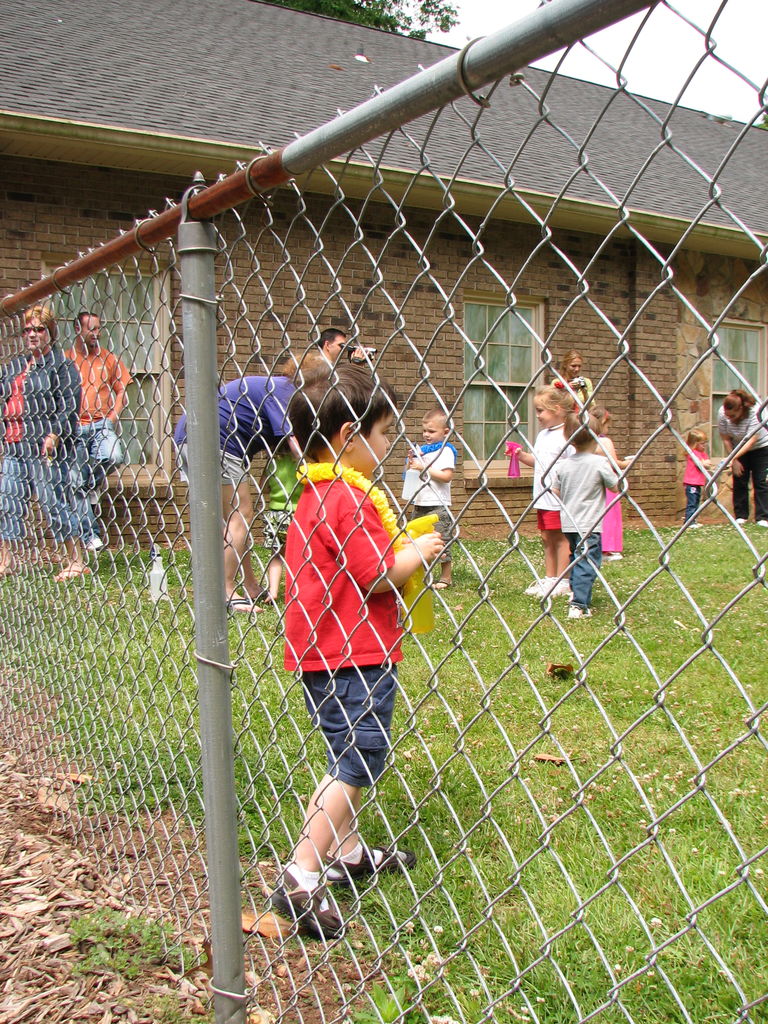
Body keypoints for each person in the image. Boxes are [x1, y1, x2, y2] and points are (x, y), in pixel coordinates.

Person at [271, 363, 444, 940]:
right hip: (352, 651)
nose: (390, 446)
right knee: (357, 759)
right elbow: (376, 575)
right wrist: (421, 547)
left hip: (324, 648)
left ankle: (345, 853)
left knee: (346, 748)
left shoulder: (317, 492)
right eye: (384, 434)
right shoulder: (348, 497)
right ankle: (300, 872)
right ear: (349, 436)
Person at [0, 305, 89, 581]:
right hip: (15, 445)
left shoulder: (61, 365)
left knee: (54, 502)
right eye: (28, 330)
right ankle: (7, 561)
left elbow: (69, 405)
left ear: (50, 332)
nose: (32, 335)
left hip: (44, 447)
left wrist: (54, 434)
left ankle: (76, 560)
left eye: (39, 329)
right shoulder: (14, 367)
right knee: (7, 501)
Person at [64, 311, 132, 551]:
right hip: (74, 427)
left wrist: (113, 416)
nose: (96, 334)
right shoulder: (67, 360)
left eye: (98, 328)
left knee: (114, 456)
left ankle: (91, 483)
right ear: (77, 330)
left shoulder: (108, 359)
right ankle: (91, 536)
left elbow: (122, 388)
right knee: (75, 484)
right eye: (90, 329)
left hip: (101, 423)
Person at [552, 411, 620, 619]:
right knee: (588, 561)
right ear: (596, 436)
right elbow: (615, 486)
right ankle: (579, 603)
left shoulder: (564, 464)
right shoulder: (599, 463)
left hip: (569, 522)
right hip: (589, 524)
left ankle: (575, 591)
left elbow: (555, 490)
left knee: (575, 557)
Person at [516, 384, 575, 598]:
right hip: (542, 496)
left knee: (561, 538)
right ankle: (550, 579)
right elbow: (540, 462)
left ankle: (563, 580)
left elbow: (575, 464)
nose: (538, 416)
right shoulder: (543, 435)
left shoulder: (568, 434)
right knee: (546, 536)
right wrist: (522, 456)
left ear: (557, 409)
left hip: (560, 498)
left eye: (541, 410)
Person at [402, 406, 456, 589]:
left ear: (445, 432)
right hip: (420, 502)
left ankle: (445, 577)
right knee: (416, 539)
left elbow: (446, 476)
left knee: (440, 538)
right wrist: (412, 462)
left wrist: (423, 467)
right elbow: (410, 474)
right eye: (424, 430)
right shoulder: (423, 451)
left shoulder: (446, 451)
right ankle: (420, 574)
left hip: (438, 505)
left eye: (431, 431)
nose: (426, 434)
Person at [255, 433, 300, 606]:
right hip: (297, 513)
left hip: (275, 515)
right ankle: (295, 590)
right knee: (298, 555)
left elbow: (262, 487)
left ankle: (273, 591)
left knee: (276, 555)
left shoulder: (272, 463)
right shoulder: (301, 463)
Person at [717, 389, 768, 526]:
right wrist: (734, 460)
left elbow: (752, 439)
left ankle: (762, 517)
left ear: (741, 409)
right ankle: (741, 516)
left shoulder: (756, 412)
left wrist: (732, 458)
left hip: (760, 447)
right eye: (727, 416)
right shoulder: (722, 413)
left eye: (732, 416)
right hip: (737, 447)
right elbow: (726, 438)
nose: (729, 419)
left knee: (760, 481)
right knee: (739, 479)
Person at [593, 406, 629, 560]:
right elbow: (614, 462)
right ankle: (607, 548)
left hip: (593, 482)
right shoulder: (604, 441)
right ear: (602, 422)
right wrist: (627, 463)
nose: (608, 429)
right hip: (608, 482)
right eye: (607, 426)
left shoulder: (586, 440)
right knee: (609, 514)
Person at [682, 428, 713, 527]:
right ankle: (689, 521)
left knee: (696, 502)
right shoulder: (692, 453)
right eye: (701, 443)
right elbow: (701, 464)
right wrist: (705, 463)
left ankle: (693, 520)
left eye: (705, 443)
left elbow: (707, 462)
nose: (704, 445)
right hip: (691, 483)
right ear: (695, 443)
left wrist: (706, 463)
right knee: (691, 502)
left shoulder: (702, 453)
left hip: (698, 483)